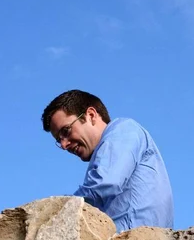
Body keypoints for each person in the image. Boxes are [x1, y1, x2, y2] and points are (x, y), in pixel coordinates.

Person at [42, 89, 174, 231]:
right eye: (59, 140)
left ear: (91, 115)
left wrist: (57, 211)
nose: (64, 145)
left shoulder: (122, 129)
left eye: (66, 131)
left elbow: (106, 183)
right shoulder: (106, 153)